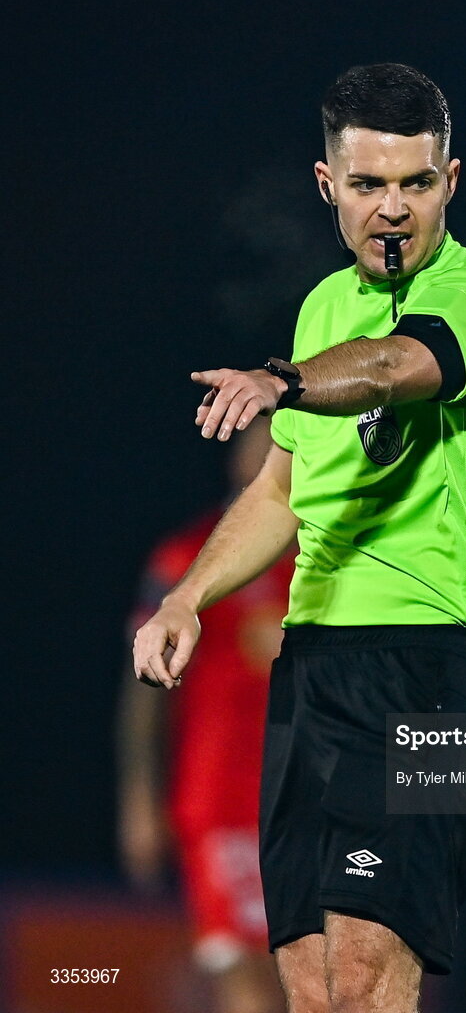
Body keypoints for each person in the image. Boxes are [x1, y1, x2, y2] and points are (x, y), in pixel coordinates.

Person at [134, 62, 466, 1013]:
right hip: (313, 676)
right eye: (368, 185)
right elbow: (282, 491)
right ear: (329, 186)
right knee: (313, 993)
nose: (392, 209)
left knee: (364, 982)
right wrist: (189, 598)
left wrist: (281, 378)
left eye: (414, 183)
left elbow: (397, 363)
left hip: (428, 671)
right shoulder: (323, 309)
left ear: (449, 182)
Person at [119, 421, 290, 1013]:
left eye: (284, 441)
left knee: (321, 976)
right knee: (245, 974)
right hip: (221, 798)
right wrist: (140, 797)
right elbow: (143, 691)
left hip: (314, 799)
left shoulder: (335, 560)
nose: (267, 452)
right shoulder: (185, 559)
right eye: (257, 439)